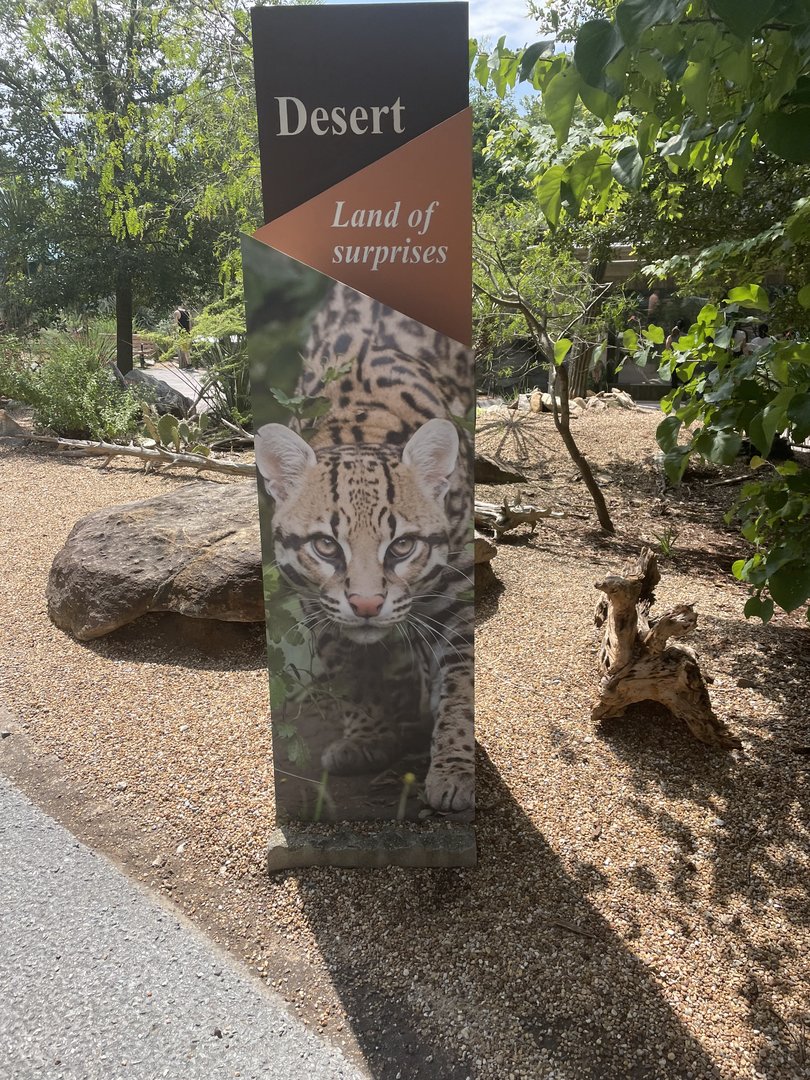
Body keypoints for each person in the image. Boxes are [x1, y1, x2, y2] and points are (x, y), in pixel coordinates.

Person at [174, 304, 191, 368]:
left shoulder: (176, 312)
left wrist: (176, 334)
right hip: (188, 333)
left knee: (185, 350)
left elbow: (176, 324)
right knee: (187, 349)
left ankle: (189, 364)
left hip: (181, 333)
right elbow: (190, 324)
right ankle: (188, 363)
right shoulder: (188, 312)